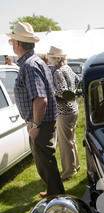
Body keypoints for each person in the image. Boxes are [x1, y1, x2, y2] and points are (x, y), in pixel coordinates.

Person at [7, 22, 65, 198]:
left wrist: (36, 126)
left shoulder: (30, 65)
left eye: (12, 41)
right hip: (42, 121)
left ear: (17, 43)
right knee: (44, 160)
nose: (12, 44)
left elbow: (40, 100)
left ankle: (57, 198)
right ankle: (54, 192)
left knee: (45, 161)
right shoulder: (35, 62)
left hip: (41, 122)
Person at [48, 46, 80, 181]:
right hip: (74, 108)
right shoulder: (68, 68)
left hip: (64, 110)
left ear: (54, 58)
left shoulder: (58, 72)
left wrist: (52, 91)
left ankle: (68, 171)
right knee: (71, 140)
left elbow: (62, 91)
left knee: (64, 143)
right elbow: (78, 81)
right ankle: (75, 165)